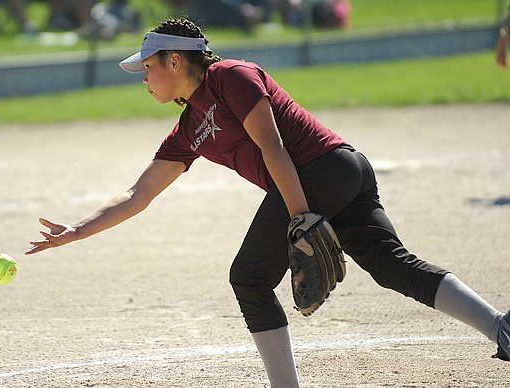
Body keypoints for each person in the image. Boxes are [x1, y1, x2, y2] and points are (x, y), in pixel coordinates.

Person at [26, 18, 510, 387]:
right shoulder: (189, 127)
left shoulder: (232, 76)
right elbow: (139, 193)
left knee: (249, 278)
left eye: (148, 67)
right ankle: (501, 328)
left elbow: (272, 147)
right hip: (334, 175)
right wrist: (77, 230)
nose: (144, 78)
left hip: (323, 169)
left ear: (176, 61)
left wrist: (301, 217)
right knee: (390, 265)